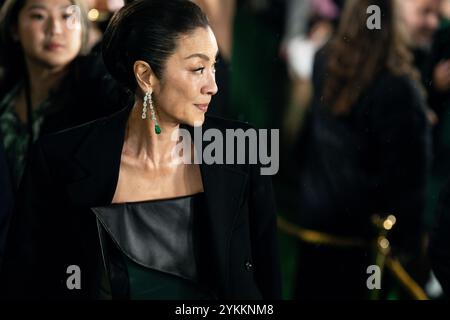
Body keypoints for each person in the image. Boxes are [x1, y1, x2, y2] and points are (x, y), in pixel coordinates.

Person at [0, 0, 281, 300]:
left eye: (213, 66)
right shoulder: (59, 159)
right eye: (198, 68)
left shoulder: (242, 148)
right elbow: (26, 281)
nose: (212, 86)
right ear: (146, 76)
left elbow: (267, 276)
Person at [294, 0, 432, 299]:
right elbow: (408, 188)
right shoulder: (399, 90)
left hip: (317, 231)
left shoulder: (324, 59)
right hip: (360, 247)